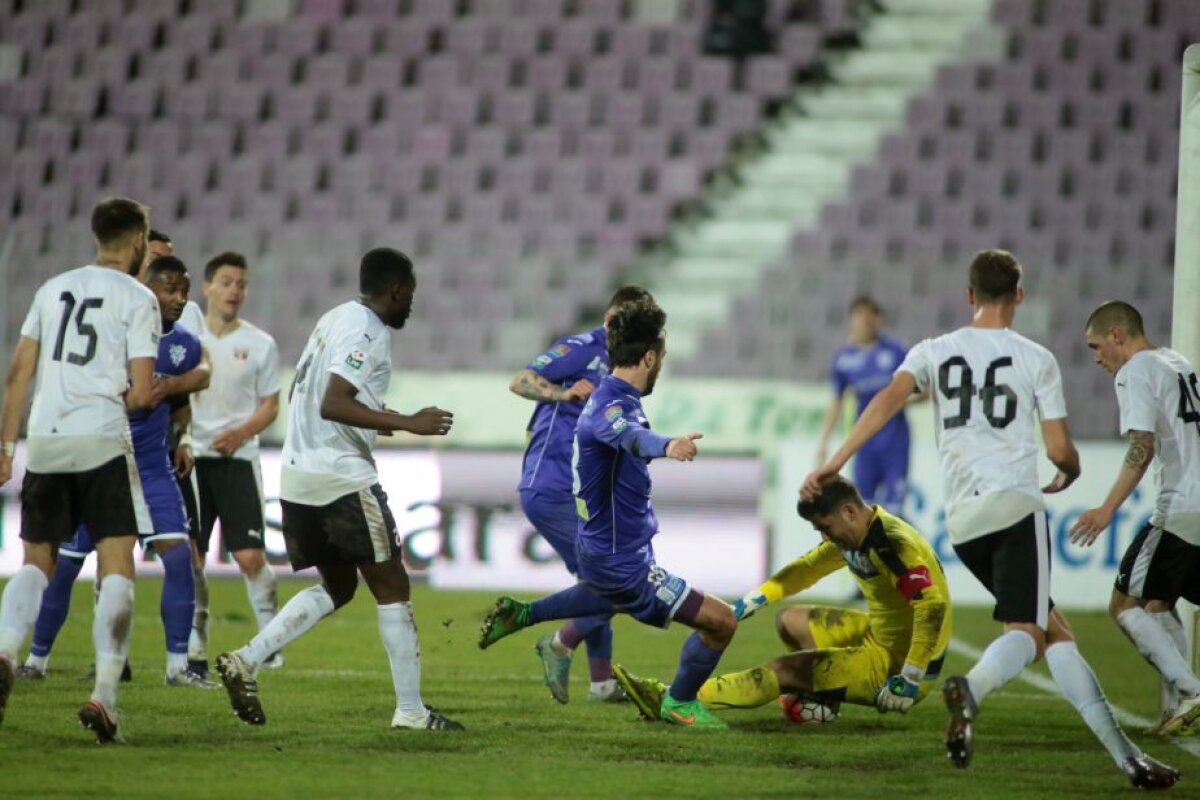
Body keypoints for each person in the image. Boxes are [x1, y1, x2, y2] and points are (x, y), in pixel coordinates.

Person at [803, 250, 1177, 789]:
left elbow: (886, 401)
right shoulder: (1036, 358)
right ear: (1019, 296)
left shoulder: (933, 350)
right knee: (1027, 631)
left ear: (969, 295)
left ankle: (1128, 759)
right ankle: (971, 691)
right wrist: (1070, 470)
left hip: (964, 521)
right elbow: (1059, 449)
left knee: (1054, 631)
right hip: (1014, 504)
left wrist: (835, 463)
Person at [214, 248, 462, 731]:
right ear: (396, 290)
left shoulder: (334, 318)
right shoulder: (369, 329)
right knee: (392, 585)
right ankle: (411, 712)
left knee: (340, 585)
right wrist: (407, 422)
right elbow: (333, 402)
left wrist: (376, 422)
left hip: (299, 472)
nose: (411, 303)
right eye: (410, 293)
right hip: (340, 477)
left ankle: (247, 658)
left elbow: (306, 394)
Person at [479, 299, 737, 730]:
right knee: (721, 622)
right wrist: (666, 445)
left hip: (607, 550)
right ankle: (680, 702)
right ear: (650, 357)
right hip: (623, 560)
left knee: (603, 593)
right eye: (663, 359)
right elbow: (628, 435)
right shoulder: (612, 404)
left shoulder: (611, 396)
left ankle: (525, 615)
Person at [0, 197, 163, 742]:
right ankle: (106, 697)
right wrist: (140, 389)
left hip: (44, 438)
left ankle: (3, 652)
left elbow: (18, 372)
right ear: (139, 239)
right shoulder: (139, 298)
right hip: (100, 439)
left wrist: (6, 446)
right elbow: (141, 392)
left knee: (36, 561)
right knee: (117, 563)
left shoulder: (52, 288)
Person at [15, 256, 213, 688]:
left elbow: (194, 381)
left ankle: (178, 667)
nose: (180, 299)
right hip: (103, 462)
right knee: (65, 566)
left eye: (185, 291)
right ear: (147, 288)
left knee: (180, 559)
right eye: (171, 290)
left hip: (152, 467)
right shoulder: (116, 331)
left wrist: (182, 433)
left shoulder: (181, 343)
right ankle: (36, 659)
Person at [616, 475, 951, 724]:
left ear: (848, 511)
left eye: (825, 526)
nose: (824, 536)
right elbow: (807, 568)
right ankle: (822, 699)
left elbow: (931, 605)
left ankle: (677, 697)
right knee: (791, 620)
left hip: (901, 662)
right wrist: (753, 601)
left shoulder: (890, 544)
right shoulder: (857, 532)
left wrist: (909, 677)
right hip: (879, 633)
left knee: (783, 670)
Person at [509, 285, 652, 704]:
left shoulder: (624, 367)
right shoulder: (581, 347)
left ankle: (601, 683)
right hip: (551, 485)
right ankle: (559, 642)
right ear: (611, 321)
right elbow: (520, 380)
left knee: (597, 579)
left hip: (585, 490)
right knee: (615, 579)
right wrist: (561, 393)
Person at [1071, 300, 1200, 736]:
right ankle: (1176, 711)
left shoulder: (1135, 371)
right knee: (1160, 601)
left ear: (1117, 336)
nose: (1096, 358)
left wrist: (1106, 508)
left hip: (1181, 505)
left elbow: (1141, 445)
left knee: (1124, 605)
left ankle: (1192, 693)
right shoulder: (1177, 362)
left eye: (1096, 346)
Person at [187, 251, 281, 677]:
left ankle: (270, 642)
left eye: (241, 284)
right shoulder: (186, 341)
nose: (235, 291)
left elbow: (270, 406)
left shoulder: (260, 343)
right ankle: (194, 646)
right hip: (191, 461)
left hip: (237, 460)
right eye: (226, 282)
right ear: (207, 287)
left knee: (248, 557)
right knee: (191, 557)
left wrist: (241, 433)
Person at [816, 295, 912, 514]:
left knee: (894, 509)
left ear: (878, 320)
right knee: (861, 508)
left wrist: (898, 400)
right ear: (852, 320)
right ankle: (867, 549)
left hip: (894, 442)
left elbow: (923, 391)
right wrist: (824, 441)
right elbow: (836, 401)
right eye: (860, 315)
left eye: (871, 315)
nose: (866, 321)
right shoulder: (844, 358)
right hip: (864, 442)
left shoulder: (896, 351)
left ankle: (894, 547)